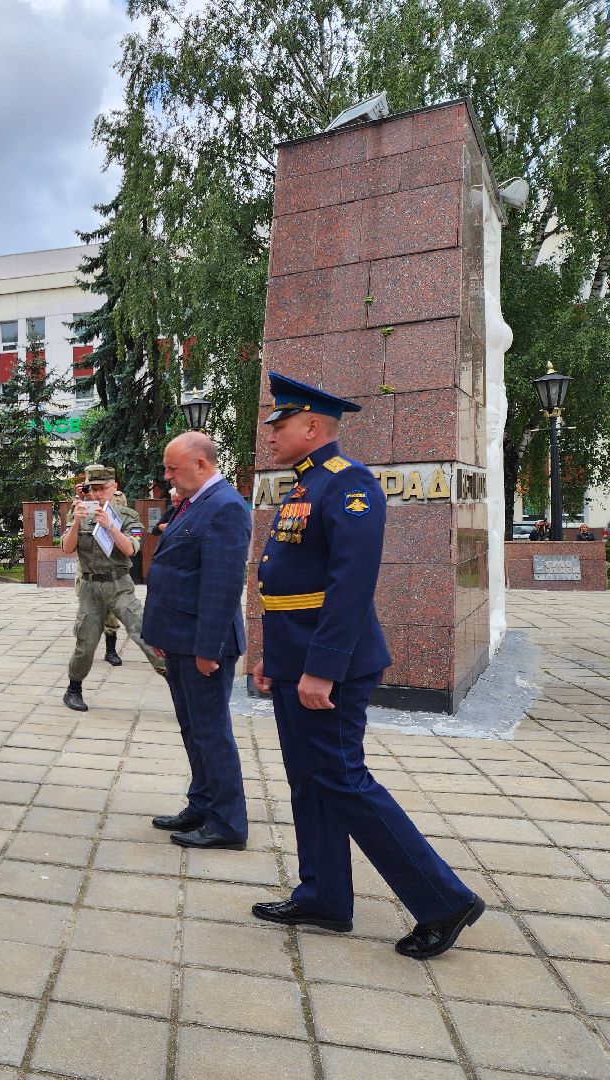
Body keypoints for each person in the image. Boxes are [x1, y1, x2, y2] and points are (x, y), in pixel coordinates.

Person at [250, 372, 483, 959]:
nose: (270, 433)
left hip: (331, 666)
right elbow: (285, 584)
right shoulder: (302, 486)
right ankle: (324, 895)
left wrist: (321, 668)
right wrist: (271, 660)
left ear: (311, 426)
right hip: (293, 659)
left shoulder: (349, 485)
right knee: (310, 780)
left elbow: (349, 586)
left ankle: (443, 899)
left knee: (342, 778)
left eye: (279, 424)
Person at [141, 432, 251, 850]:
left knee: (211, 732)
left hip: (204, 645)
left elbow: (222, 585)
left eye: (173, 467)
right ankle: (203, 802)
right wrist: (166, 635)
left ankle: (228, 822)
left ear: (202, 465)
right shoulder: (194, 502)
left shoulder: (224, 506)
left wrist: (209, 648)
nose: (167, 475)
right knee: (193, 728)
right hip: (180, 638)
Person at [61, 464, 165, 712]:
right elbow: (66, 547)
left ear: (114, 488)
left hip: (119, 585)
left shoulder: (128, 517)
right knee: (85, 642)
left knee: (143, 632)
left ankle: (177, 682)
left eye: (102, 489)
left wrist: (110, 526)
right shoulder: (79, 512)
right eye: (92, 489)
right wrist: (76, 522)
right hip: (90, 586)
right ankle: (73, 689)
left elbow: (131, 549)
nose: (96, 495)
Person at [72, 485, 132, 666]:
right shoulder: (81, 498)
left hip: (110, 561)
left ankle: (110, 650)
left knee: (111, 611)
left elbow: (119, 517)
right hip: (88, 565)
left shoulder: (117, 497)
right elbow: (72, 523)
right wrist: (80, 498)